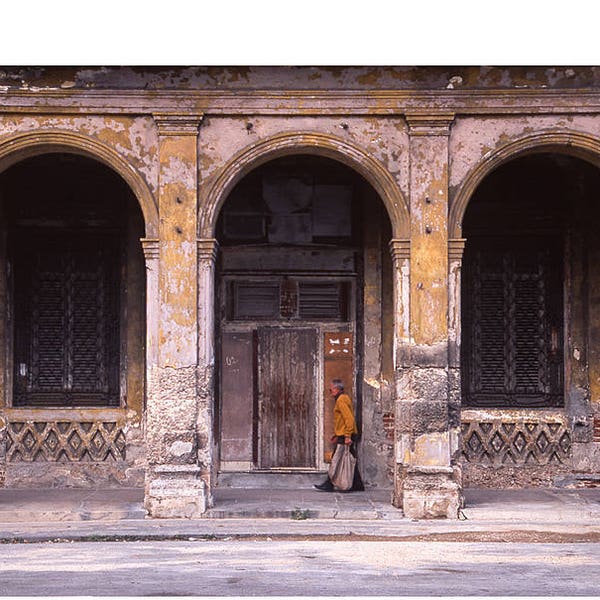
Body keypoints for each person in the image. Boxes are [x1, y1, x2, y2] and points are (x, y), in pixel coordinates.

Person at [314, 379, 364, 492]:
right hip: (344, 434)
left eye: (331, 389)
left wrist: (347, 436)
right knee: (349, 459)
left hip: (346, 435)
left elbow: (349, 419)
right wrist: (337, 434)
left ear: (336, 389)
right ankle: (357, 484)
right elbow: (342, 420)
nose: (330, 392)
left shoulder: (341, 400)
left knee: (336, 458)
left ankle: (329, 483)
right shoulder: (343, 399)